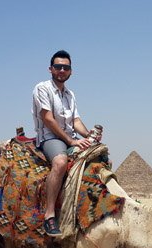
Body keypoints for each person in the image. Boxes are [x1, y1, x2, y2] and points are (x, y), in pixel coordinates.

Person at [32, 50, 94, 237]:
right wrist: (71, 140)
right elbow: (48, 119)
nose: (61, 70)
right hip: (50, 138)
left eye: (65, 67)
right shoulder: (42, 88)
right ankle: (49, 215)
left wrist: (90, 135)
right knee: (60, 162)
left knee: (100, 155)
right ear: (50, 69)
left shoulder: (70, 95)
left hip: (70, 137)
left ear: (71, 71)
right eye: (58, 67)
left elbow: (76, 122)